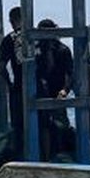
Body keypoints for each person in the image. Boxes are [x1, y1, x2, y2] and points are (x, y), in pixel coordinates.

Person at [36, 18, 74, 161]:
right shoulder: (37, 50)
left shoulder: (62, 50)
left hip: (57, 91)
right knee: (43, 125)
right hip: (40, 93)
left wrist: (65, 90)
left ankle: (62, 153)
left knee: (61, 125)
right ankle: (46, 157)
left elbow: (70, 73)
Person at [0, 6, 25, 158]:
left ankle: (20, 155)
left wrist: (9, 84)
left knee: (18, 126)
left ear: (12, 21)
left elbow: (0, 65)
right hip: (42, 88)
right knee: (44, 125)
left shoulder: (10, 39)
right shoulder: (37, 37)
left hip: (19, 87)